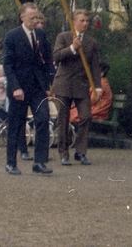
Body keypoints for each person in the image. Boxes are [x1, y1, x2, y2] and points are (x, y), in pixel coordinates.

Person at [2, 3, 55, 176]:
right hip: (19, 87)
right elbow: (8, 65)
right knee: (16, 125)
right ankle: (11, 162)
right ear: (22, 17)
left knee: (43, 119)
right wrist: (15, 87)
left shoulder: (40, 34)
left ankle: (39, 161)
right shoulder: (12, 36)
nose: (35, 21)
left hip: (37, 86)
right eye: (32, 18)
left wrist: (48, 84)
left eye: (37, 17)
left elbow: (47, 61)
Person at [51, 9, 103, 166]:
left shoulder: (91, 42)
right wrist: (72, 48)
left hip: (81, 85)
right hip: (64, 84)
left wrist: (98, 87)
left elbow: (94, 66)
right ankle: (64, 153)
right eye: (82, 21)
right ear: (74, 22)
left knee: (86, 116)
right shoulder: (64, 37)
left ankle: (80, 152)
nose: (85, 23)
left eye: (87, 21)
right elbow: (56, 56)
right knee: (63, 119)